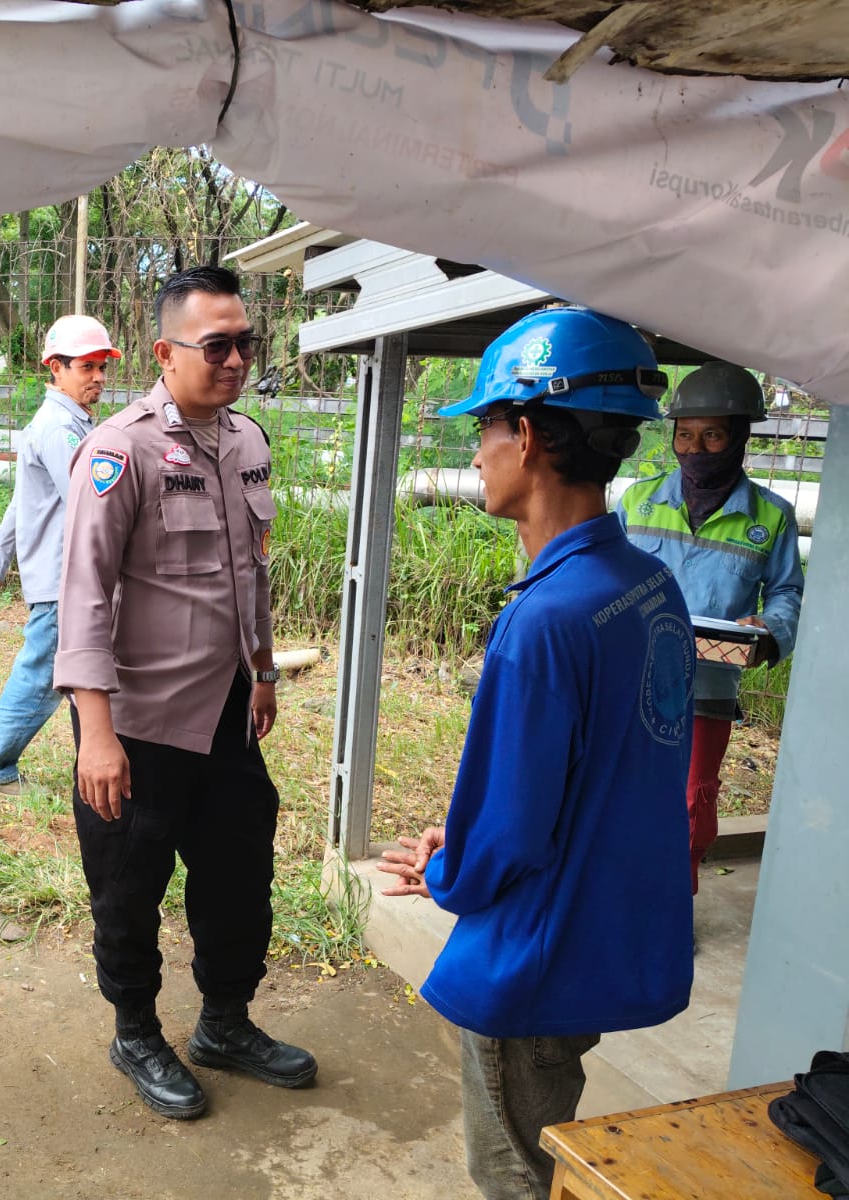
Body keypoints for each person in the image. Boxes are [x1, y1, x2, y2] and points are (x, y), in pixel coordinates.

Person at [378, 306, 698, 1200]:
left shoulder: (545, 620)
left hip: (539, 957)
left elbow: (512, 833)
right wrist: (474, 842)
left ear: (525, 436)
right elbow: (609, 771)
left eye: (483, 429)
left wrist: (450, 870)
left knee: (517, 1172)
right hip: (601, 930)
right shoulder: (648, 585)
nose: (477, 454)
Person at [54, 265, 314, 1120]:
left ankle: (224, 1023)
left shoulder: (248, 442)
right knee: (128, 889)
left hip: (227, 712)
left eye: (247, 343)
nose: (236, 359)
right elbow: (83, 596)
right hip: (139, 724)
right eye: (217, 345)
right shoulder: (119, 451)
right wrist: (96, 734)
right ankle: (135, 1032)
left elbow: (252, 575)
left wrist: (263, 672)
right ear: (165, 353)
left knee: (240, 876)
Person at [615, 362, 804, 893]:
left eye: (712, 436)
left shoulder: (772, 516)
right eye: (685, 435)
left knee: (693, 794)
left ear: (740, 437)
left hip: (709, 683)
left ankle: (675, 899)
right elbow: (605, 575)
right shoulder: (637, 501)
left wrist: (769, 629)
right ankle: (617, 893)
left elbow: (787, 591)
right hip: (630, 677)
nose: (695, 448)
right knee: (621, 782)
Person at [0, 316, 121, 795]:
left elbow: (23, 501)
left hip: (60, 575)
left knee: (64, 666)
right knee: (43, 672)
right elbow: (90, 503)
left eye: (102, 367)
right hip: (63, 579)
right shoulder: (60, 430)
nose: (98, 377)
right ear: (56, 368)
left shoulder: (64, 423)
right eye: (86, 367)